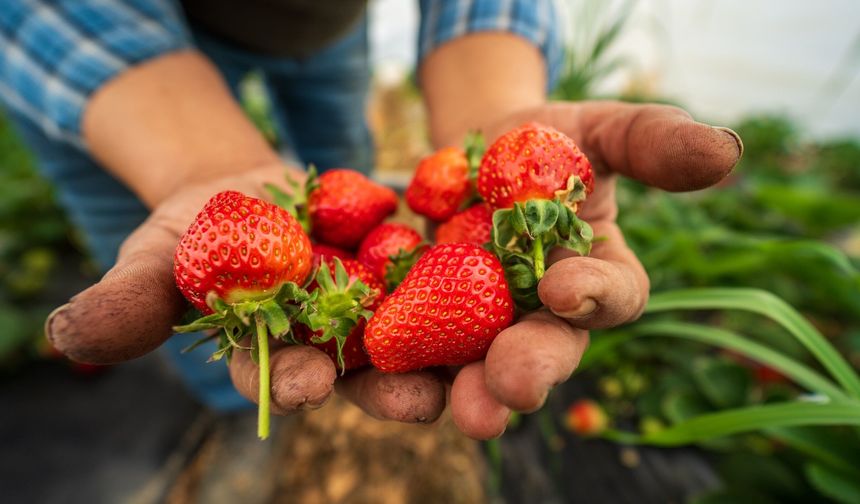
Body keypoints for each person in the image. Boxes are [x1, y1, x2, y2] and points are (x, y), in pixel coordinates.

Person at [1, 0, 742, 439]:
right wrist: (195, 165)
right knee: (186, 306)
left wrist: (490, 108)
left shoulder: (461, 229)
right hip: (102, 55)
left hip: (323, 29)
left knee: (340, 151)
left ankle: (289, 402)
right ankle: (245, 418)